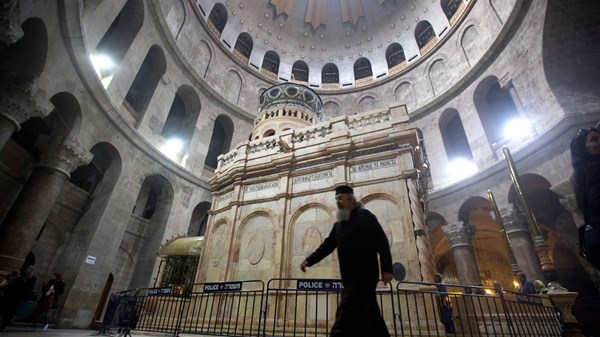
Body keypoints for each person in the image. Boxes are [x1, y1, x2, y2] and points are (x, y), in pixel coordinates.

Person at [300, 185, 393, 337]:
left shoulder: (365, 216)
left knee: (344, 319)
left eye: (341, 198)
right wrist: (309, 260)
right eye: (336, 199)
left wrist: (387, 269)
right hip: (350, 280)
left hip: (364, 277)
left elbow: (381, 243)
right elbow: (327, 246)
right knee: (373, 321)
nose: (338, 202)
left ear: (351, 199)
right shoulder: (339, 225)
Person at [570, 127, 600, 270]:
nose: (599, 143)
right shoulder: (593, 168)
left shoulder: (582, 171)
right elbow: (595, 201)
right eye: (594, 140)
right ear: (582, 147)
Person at [0, 265, 37, 331]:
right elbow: (16, 284)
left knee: (12, 311)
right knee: (5, 308)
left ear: (31, 271)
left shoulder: (33, 278)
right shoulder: (23, 275)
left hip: (20, 297)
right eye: (27, 269)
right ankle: (4, 320)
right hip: (13, 295)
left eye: (29, 269)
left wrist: (21, 281)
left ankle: (3, 326)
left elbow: (29, 288)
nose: (27, 270)